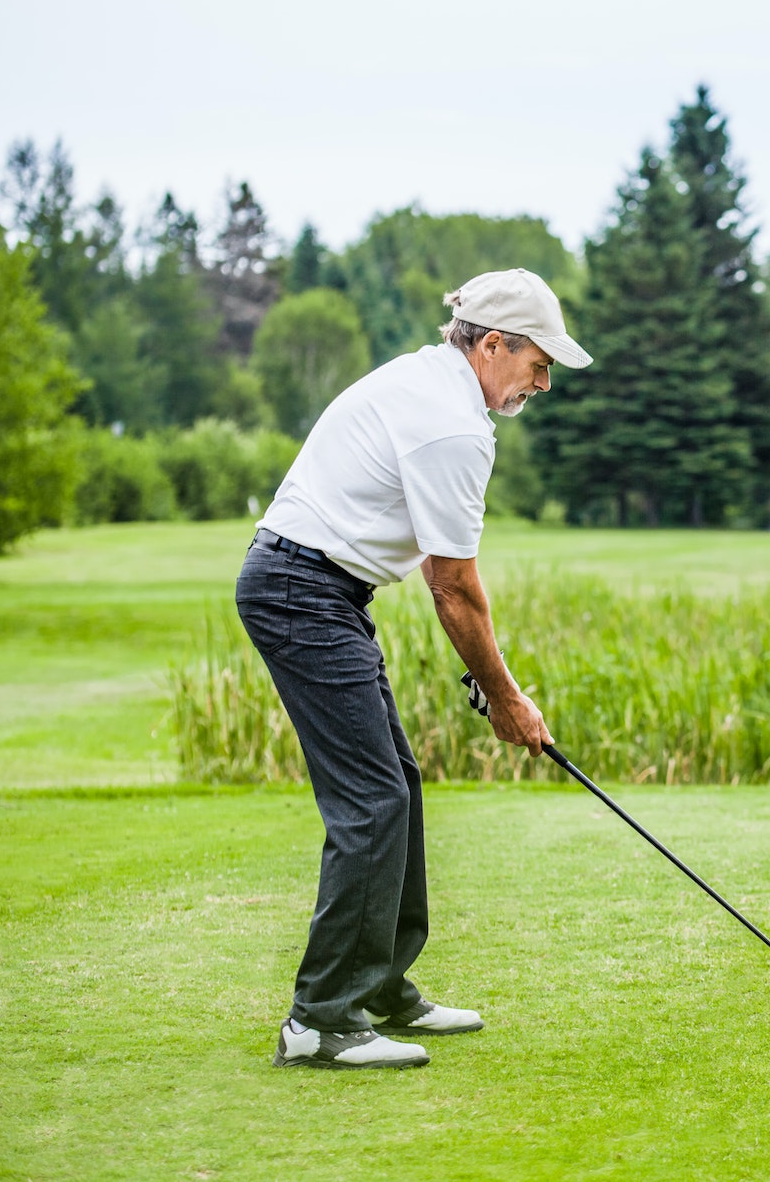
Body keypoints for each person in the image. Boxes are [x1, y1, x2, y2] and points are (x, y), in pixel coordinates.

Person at [235, 269, 591, 1070]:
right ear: (492, 344)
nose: (545, 379)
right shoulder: (453, 425)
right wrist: (505, 696)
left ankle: (379, 983)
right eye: (539, 361)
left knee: (397, 781)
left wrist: (494, 684)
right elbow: (453, 584)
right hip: (301, 590)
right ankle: (320, 1017)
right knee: (373, 797)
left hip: (322, 589)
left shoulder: (431, 383)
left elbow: (442, 580)